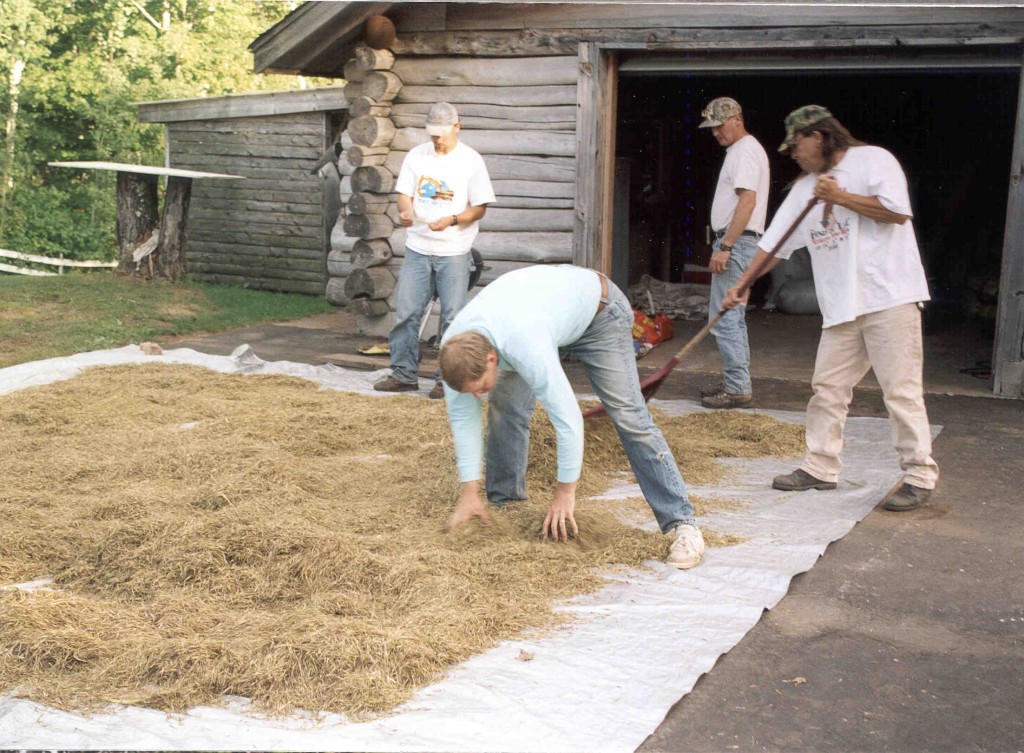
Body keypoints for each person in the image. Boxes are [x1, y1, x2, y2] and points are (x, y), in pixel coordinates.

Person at [722, 105, 939, 511]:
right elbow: (775, 243)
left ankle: (919, 475)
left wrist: (840, 196)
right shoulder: (805, 188)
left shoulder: (874, 160)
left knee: (900, 392)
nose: (793, 154)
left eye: (797, 144)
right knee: (827, 389)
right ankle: (820, 468)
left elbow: (896, 212)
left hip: (888, 297)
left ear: (819, 136)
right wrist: (743, 283)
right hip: (842, 307)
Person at [437, 264, 705, 569]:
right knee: (505, 408)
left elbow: (568, 419)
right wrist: (468, 492)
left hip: (599, 314)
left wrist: (565, 492)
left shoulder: (523, 343)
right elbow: (464, 422)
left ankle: (682, 524)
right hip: (542, 317)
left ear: (491, 359)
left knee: (628, 417)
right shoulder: (456, 353)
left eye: (479, 387)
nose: (476, 396)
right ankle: (507, 506)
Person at [374, 102, 495, 400]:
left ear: (457, 126)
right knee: (406, 312)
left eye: (443, 133)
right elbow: (405, 196)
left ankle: (447, 380)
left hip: (454, 249)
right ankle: (403, 374)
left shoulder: (470, 160)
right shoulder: (417, 156)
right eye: (433, 134)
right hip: (418, 247)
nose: (438, 140)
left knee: (453, 317)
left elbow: (479, 208)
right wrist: (405, 212)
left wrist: (453, 220)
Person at [697, 96, 771, 409]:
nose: (715, 132)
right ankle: (735, 382)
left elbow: (747, 202)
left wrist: (726, 245)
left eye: (719, 125)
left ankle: (738, 387)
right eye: (711, 127)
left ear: (736, 119)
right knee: (727, 315)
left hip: (737, 242)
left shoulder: (744, 152)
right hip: (738, 241)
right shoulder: (741, 151)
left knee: (726, 316)